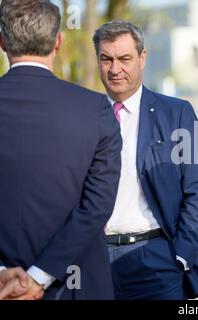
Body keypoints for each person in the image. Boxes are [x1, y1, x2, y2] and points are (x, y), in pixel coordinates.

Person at [93, 20, 198, 300]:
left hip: (155, 261)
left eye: (124, 58)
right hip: (94, 262)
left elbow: (197, 188)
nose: (115, 69)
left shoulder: (177, 114)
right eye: (106, 59)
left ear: (142, 57)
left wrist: (181, 255)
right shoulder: (82, 115)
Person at [0, 0, 122, 300]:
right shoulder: (96, 110)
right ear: (58, 41)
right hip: (75, 287)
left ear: (2, 41)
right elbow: (96, 207)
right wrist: (39, 275)